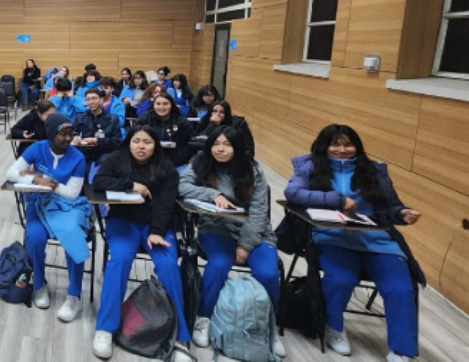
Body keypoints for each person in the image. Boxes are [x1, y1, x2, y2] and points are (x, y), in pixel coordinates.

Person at [284, 125, 423, 362]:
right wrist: (336, 200)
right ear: (323, 145)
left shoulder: (374, 171)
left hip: (377, 240)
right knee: (341, 279)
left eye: (348, 144)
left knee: (400, 288)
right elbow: (293, 193)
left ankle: (401, 350)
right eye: (335, 144)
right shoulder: (309, 166)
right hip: (332, 237)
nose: (342, 149)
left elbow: (390, 206)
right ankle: (333, 327)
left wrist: (402, 214)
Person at [179, 126, 285, 357]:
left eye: (227, 144)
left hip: (255, 232)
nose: (220, 149)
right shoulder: (200, 163)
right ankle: (203, 318)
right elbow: (183, 186)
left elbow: (259, 212)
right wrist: (212, 194)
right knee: (218, 264)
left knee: (268, 272)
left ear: (237, 147)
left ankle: (269, 327)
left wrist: (246, 245)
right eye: (216, 144)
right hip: (216, 228)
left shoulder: (252, 170)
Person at [91, 126, 193, 360]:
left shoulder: (167, 168)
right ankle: (106, 328)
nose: (141, 146)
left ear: (155, 144)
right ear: (129, 141)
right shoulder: (117, 158)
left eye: (147, 142)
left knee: (168, 265)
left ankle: (180, 338)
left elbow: (166, 204)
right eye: (136, 140)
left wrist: (157, 230)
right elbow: (99, 180)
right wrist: (130, 185)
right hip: (123, 222)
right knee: (119, 260)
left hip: (155, 225)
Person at [5, 113, 90, 322]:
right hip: (39, 203)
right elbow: (11, 172)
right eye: (63, 134)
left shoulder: (78, 157)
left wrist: (49, 182)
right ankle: (40, 285)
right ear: (51, 135)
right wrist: (35, 178)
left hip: (68, 206)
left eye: (71, 134)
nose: (69, 138)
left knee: (72, 238)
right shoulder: (38, 148)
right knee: (34, 236)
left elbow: (71, 193)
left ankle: (74, 295)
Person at [135, 93, 194, 171]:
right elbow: (134, 138)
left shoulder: (182, 122)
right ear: (153, 105)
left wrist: (180, 158)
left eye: (165, 104)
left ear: (172, 105)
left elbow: (191, 143)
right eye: (158, 104)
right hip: (149, 162)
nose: (161, 107)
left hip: (178, 163)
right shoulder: (145, 119)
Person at [72, 89, 123, 165]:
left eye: (94, 98)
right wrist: (75, 137)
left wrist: (97, 140)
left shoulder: (113, 119)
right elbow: (73, 133)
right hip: (84, 151)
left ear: (101, 100)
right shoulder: (79, 118)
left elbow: (117, 141)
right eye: (88, 99)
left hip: (104, 152)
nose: (91, 102)